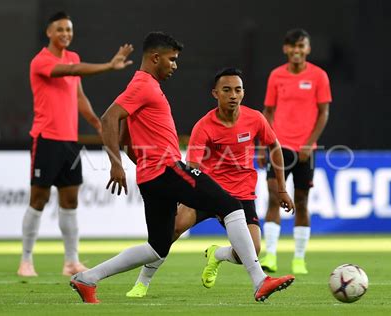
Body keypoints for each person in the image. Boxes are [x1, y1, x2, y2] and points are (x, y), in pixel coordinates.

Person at [69, 32, 295, 304]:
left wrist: (142, 167)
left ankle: (87, 278)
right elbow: (108, 119)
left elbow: (125, 139)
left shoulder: (141, 87)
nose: (175, 65)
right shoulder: (144, 85)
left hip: (153, 177)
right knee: (231, 205)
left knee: (156, 248)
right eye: (172, 59)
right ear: (155, 58)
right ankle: (260, 281)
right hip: (167, 169)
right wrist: (115, 165)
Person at [125, 67, 295, 298]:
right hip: (209, 192)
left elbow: (274, 147)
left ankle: (218, 255)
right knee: (171, 230)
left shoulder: (255, 118)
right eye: (227, 90)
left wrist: (282, 190)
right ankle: (142, 282)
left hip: (242, 195)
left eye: (237, 90)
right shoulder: (203, 126)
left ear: (243, 93)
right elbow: (192, 166)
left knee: (252, 250)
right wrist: (183, 195)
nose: (233, 95)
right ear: (215, 93)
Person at [17, 11, 133, 277]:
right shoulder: (40, 62)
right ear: (49, 33)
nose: (65, 34)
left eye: (69, 30)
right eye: (60, 30)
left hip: (70, 142)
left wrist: (95, 122)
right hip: (46, 139)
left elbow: (78, 95)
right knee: (39, 198)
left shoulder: (73, 56)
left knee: (70, 201)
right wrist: (108, 66)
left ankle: (71, 261)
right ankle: (26, 260)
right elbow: (70, 71)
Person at [259, 28, 332, 274]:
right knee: (273, 197)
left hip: (305, 150)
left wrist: (309, 143)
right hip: (278, 147)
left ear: (308, 49)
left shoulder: (319, 76)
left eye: (301, 46)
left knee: (301, 201)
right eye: (293, 46)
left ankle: (299, 258)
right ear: (285, 49)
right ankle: (270, 254)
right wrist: (264, 144)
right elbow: (268, 112)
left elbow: (323, 113)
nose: (297, 51)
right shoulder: (276, 76)